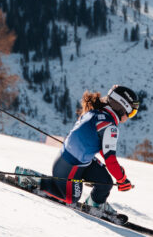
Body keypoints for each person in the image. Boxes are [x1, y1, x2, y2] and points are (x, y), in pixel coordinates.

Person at [39, 85, 140, 214]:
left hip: (77, 161)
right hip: (70, 166)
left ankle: (95, 205)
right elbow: (110, 160)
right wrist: (122, 180)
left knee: (105, 182)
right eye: (131, 112)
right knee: (70, 198)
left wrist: (119, 176)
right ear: (122, 107)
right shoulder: (109, 126)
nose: (129, 116)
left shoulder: (96, 112)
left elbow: (103, 149)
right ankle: (36, 182)